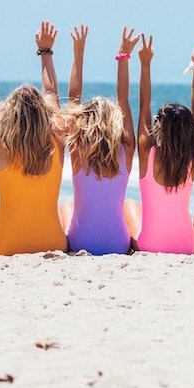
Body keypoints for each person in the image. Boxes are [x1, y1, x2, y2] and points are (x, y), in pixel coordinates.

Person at [0, 20, 68, 256]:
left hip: (5, 246)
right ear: (45, 114)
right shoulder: (58, 135)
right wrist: (46, 52)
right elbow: (52, 92)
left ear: (10, 115)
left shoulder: (2, 140)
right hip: (53, 243)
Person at [124, 35, 194, 254]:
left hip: (150, 246)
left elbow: (144, 104)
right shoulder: (193, 157)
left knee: (130, 206)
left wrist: (145, 64)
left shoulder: (147, 153)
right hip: (187, 245)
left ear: (159, 127)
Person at [59, 26, 137, 255]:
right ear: (116, 122)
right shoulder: (127, 150)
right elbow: (124, 98)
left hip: (80, 242)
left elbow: (73, 99)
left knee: (65, 207)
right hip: (119, 245)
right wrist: (123, 56)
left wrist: (78, 53)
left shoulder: (77, 153)